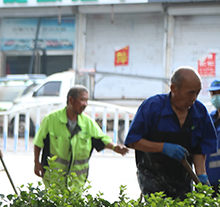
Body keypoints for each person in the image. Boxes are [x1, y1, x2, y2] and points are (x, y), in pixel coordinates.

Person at [125, 67, 217, 199]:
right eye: (190, 93)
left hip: (183, 177)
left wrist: (201, 174)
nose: (194, 98)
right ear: (173, 88)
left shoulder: (199, 112)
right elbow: (133, 141)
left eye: (197, 93)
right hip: (152, 176)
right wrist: (164, 147)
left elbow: (200, 146)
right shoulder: (152, 107)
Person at [34, 85, 129, 192]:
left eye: (87, 101)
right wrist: (37, 163)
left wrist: (115, 147)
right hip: (53, 179)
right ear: (71, 100)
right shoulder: (51, 119)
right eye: (82, 100)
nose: (85, 104)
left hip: (76, 182)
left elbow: (101, 139)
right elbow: (38, 143)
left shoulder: (87, 123)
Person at [206, 79, 220, 193]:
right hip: (210, 179)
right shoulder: (209, 118)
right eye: (213, 94)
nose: (216, 97)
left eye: (219, 93)